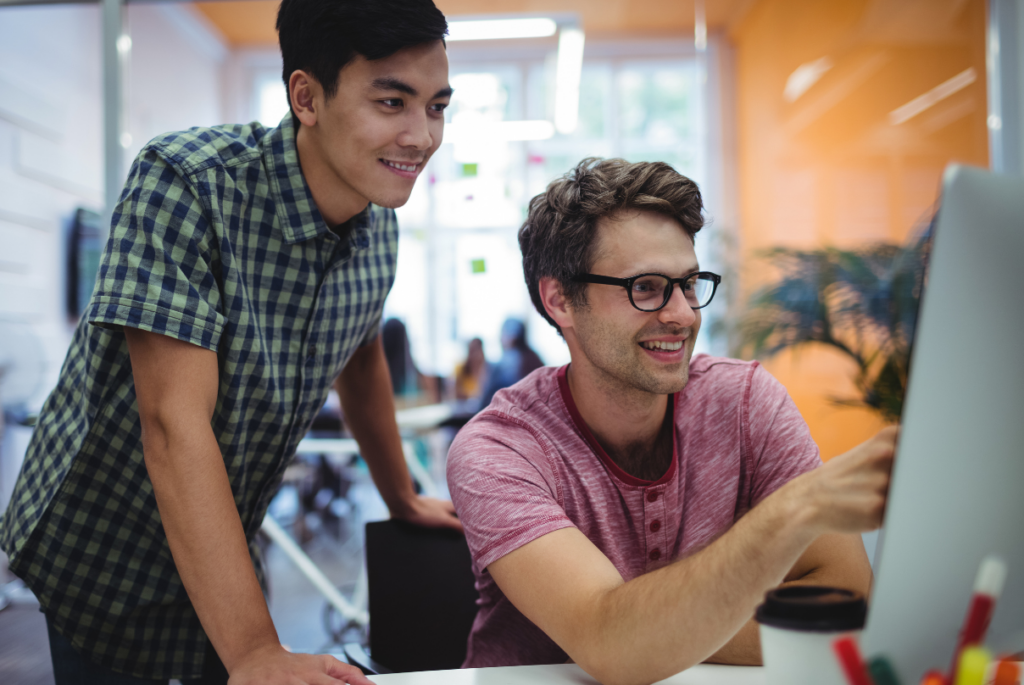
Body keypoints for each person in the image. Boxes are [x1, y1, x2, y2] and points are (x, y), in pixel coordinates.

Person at [0, 1, 459, 684]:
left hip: (227, 535)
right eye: (392, 101)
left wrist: (401, 494)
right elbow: (172, 424)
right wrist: (253, 650)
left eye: (437, 106)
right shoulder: (187, 183)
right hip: (104, 543)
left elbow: (359, 349)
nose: (421, 135)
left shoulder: (375, 224)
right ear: (307, 96)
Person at [446, 158, 897, 685]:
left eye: (688, 283)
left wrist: (662, 629)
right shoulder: (499, 450)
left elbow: (846, 600)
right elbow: (609, 646)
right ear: (560, 299)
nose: (682, 314)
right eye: (646, 287)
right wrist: (794, 511)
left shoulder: (745, 402)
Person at [478, 318, 544, 407]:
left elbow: (489, 396)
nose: (501, 338)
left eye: (503, 333)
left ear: (512, 336)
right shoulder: (534, 357)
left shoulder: (508, 361)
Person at [453, 337, 487, 402]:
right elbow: (456, 394)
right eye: (472, 351)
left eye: (477, 350)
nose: (475, 355)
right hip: (464, 408)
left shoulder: (487, 369)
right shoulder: (460, 368)